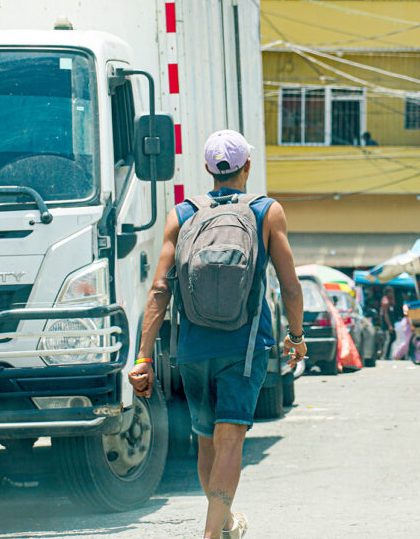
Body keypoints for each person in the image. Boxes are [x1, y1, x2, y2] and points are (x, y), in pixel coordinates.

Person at [128, 130, 306, 539]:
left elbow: (160, 288)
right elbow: (290, 286)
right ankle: (212, 536)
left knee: (207, 439)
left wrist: (142, 357)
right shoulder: (266, 211)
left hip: (191, 348)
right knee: (230, 440)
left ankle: (224, 523)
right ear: (247, 167)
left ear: (209, 169)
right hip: (243, 347)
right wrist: (295, 337)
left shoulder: (183, 214)